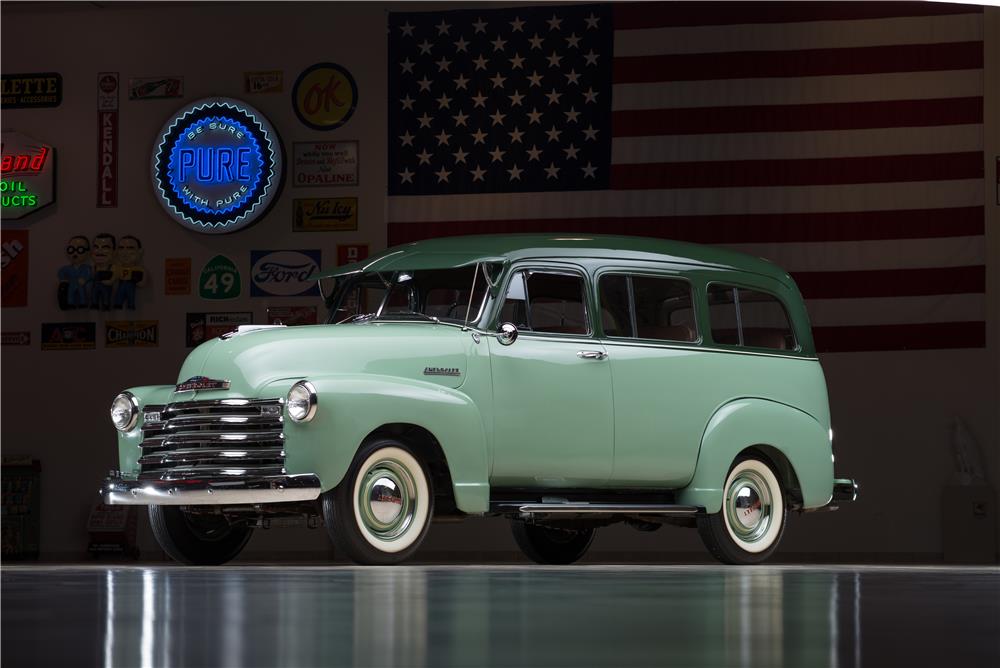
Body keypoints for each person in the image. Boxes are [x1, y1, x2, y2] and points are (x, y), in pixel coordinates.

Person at [57, 236, 92, 309]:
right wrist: (63, 280)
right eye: (71, 249)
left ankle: (83, 303)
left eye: (80, 249)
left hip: (80, 284)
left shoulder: (86, 268)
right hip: (72, 283)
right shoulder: (66, 268)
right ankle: (71, 303)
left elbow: (89, 275)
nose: (75, 253)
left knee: (82, 292)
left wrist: (85, 279)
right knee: (70, 293)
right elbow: (61, 273)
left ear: (88, 253)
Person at [112, 235, 145, 310]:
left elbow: (143, 282)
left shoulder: (139, 268)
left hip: (131, 284)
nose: (125, 252)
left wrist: (140, 282)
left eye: (130, 248)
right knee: (119, 295)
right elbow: (114, 277)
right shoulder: (118, 268)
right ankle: (118, 304)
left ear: (140, 252)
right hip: (121, 284)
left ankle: (131, 305)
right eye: (121, 248)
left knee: (131, 296)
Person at [91, 233, 116, 310]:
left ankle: (106, 305)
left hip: (106, 286)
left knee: (106, 295)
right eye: (96, 247)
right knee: (94, 295)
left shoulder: (113, 267)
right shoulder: (94, 267)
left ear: (114, 252)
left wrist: (110, 281)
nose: (99, 250)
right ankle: (95, 304)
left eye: (105, 247)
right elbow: (91, 277)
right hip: (96, 286)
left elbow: (115, 277)